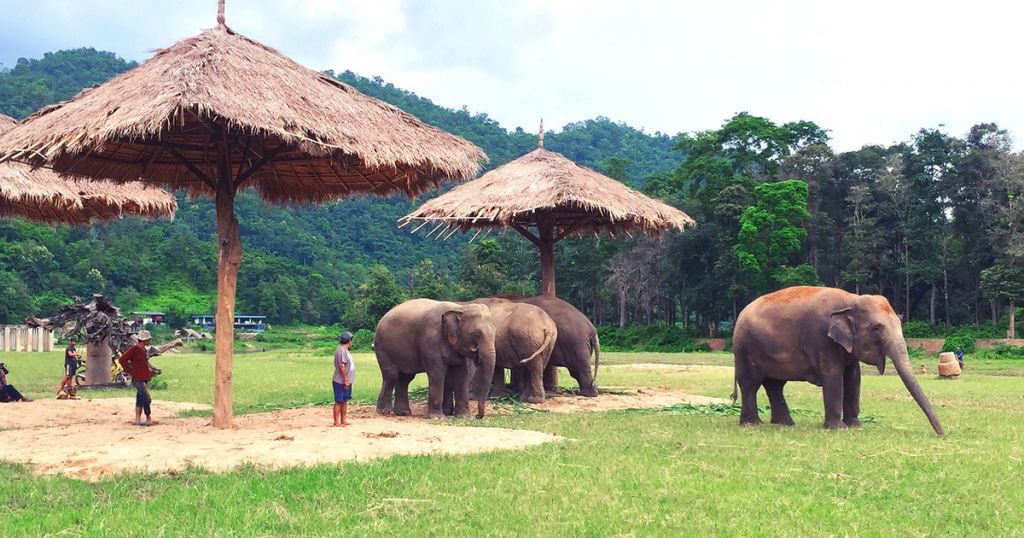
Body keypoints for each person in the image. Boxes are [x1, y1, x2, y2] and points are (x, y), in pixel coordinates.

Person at [119, 330, 154, 426]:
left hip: (144, 377)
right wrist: (129, 371)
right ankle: (148, 417)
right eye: (149, 339)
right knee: (147, 398)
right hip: (137, 378)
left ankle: (137, 419)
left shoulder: (144, 350)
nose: (150, 340)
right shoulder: (134, 349)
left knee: (140, 398)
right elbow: (122, 359)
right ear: (145, 340)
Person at [332, 331, 355, 427]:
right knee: (339, 401)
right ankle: (336, 422)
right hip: (340, 381)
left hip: (347, 381)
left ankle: (343, 420)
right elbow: (342, 366)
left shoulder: (345, 350)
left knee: (344, 401)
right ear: (349, 340)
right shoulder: (341, 350)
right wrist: (345, 380)